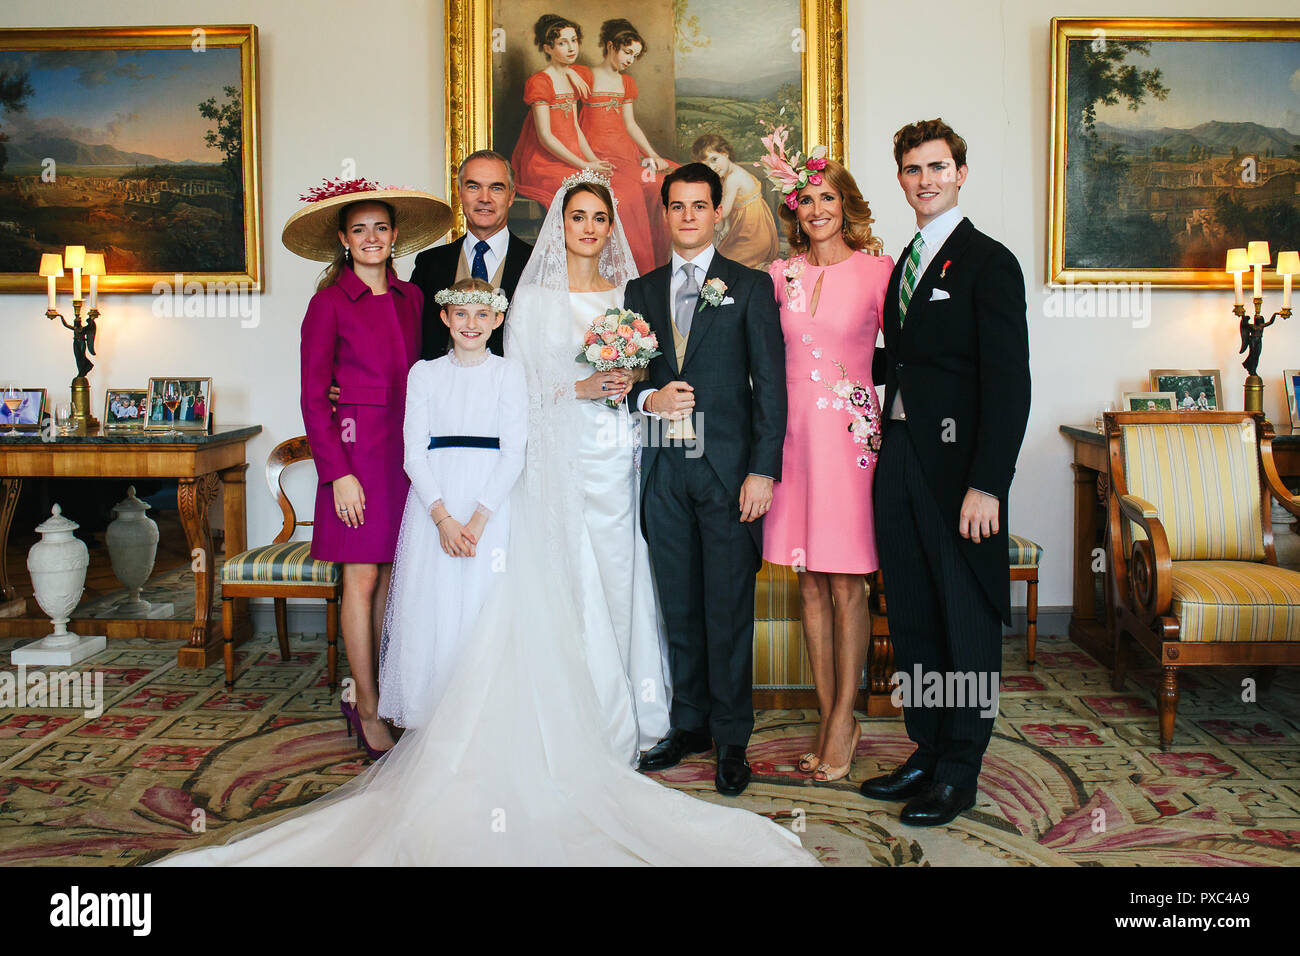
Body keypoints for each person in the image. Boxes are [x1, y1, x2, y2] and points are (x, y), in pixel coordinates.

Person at [153, 169, 814, 867]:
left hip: (623, 455)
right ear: (559, 224)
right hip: (556, 452)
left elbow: (655, 376)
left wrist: (633, 394)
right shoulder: (522, 299)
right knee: (564, 574)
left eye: (599, 218)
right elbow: (520, 383)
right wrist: (584, 387)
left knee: (627, 575)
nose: (588, 228)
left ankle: (652, 710)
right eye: (577, 216)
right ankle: (565, 710)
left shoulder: (633, 293)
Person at [859, 119, 1031, 826]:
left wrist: (988, 485)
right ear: (900, 179)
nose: (924, 179)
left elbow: (1009, 383)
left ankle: (961, 767)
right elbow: (907, 365)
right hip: (899, 461)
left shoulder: (989, 262)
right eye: (911, 169)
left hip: (961, 475)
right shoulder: (905, 261)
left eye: (937, 166)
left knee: (965, 623)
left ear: (961, 173)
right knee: (915, 616)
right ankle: (926, 748)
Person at [630, 163, 787, 797]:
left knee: (727, 611)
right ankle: (689, 722)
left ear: (718, 213)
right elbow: (628, 380)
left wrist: (763, 471)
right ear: (664, 214)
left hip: (727, 473)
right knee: (679, 606)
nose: (689, 215)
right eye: (678, 205)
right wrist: (649, 397)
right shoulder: (640, 291)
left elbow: (770, 389)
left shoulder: (749, 287)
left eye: (701, 205)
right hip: (663, 469)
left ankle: (732, 738)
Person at [287, 180, 454, 759]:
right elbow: (313, 398)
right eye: (359, 229)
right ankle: (362, 702)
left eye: (381, 228)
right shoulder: (328, 303)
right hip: (357, 459)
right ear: (343, 238)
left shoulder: (412, 300)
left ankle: (385, 692)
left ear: (394, 235)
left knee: (391, 579)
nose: (371, 238)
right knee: (359, 579)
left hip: (406, 456)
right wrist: (338, 474)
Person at [758, 142, 893, 782]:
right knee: (809, 580)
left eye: (827, 197)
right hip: (792, 444)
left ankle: (845, 717)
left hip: (850, 446)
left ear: (847, 206)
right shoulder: (778, 276)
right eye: (805, 199)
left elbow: (912, 357)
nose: (816, 208)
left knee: (848, 582)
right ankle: (825, 712)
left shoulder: (879, 271)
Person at [378, 278, 527, 728]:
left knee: (484, 599)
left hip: (491, 505)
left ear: (497, 320)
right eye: (461, 313)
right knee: (435, 603)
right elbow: (412, 454)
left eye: (482, 315)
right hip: (435, 504)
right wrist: (443, 518)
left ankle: (484, 715)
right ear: (445, 317)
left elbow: (515, 451)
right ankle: (434, 713)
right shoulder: (424, 374)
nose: (471, 324)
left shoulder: (509, 373)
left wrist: (478, 520)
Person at [574, 18, 679, 273]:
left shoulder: (627, 83)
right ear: (611, 46)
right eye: (628, 52)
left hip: (627, 153)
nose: (631, 59)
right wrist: (589, 161)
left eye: (635, 55)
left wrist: (653, 155)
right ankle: (639, 267)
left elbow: (630, 125)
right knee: (630, 194)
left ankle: (661, 263)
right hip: (596, 152)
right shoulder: (584, 75)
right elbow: (571, 125)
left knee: (666, 182)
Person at [407, 150, 534, 359]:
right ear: (459, 193)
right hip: (442, 389)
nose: (485, 198)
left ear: (511, 196)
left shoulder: (535, 262)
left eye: (496, 188)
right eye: (473, 187)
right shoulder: (429, 263)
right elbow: (406, 335)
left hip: (514, 389)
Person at [510, 14, 612, 208]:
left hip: (572, 157)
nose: (572, 47)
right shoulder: (540, 82)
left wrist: (593, 160)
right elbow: (545, 137)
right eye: (562, 43)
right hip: (544, 162)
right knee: (586, 195)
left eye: (574, 40)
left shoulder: (575, 77)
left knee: (619, 188)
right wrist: (584, 165)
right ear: (548, 48)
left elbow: (574, 127)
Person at [692, 133, 780, 269]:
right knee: (718, 257)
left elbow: (725, 211)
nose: (712, 167)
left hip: (753, 236)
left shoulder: (733, 178)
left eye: (714, 159)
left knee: (723, 264)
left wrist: (703, 211)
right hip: (745, 229)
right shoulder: (727, 175)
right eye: (706, 165)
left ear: (725, 153)